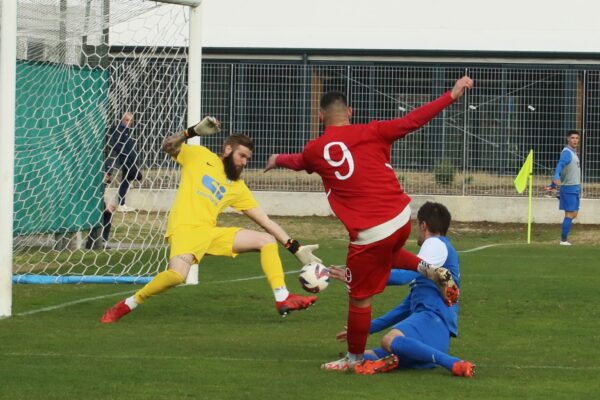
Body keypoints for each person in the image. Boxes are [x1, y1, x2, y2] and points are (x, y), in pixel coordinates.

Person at [264, 76, 473, 371]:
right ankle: (427, 269)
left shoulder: (314, 150)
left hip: (370, 231)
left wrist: (277, 158)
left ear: (320, 116)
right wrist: (450, 96)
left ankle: (353, 359)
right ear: (350, 113)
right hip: (401, 216)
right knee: (387, 252)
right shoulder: (372, 130)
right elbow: (413, 120)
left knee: (359, 298)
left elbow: (298, 161)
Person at [100, 117, 322, 323]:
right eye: (242, 156)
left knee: (266, 240)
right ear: (227, 150)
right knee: (177, 276)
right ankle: (128, 304)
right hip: (185, 227)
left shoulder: (237, 187)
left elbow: (266, 221)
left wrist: (296, 248)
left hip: (209, 232)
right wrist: (192, 132)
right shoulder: (201, 156)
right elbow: (167, 146)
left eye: (248, 158)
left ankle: (282, 296)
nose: (245, 162)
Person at [330, 202, 474, 377]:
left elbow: (403, 276)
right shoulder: (433, 260)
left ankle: (454, 363)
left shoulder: (435, 244)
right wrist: (366, 328)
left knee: (389, 340)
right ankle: (394, 361)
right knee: (363, 357)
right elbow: (404, 309)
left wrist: (362, 277)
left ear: (423, 225)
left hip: (432, 321)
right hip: (432, 338)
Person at [545, 130, 581, 245]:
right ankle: (563, 240)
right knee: (569, 214)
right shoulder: (567, 153)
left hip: (575, 188)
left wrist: (552, 184)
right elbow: (560, 164)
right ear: (568, 139)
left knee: (574, 214)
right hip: (569, 188)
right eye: (573, 138)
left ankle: (559, 194)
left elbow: (565, 172)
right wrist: (555, 175)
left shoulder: (573, 153)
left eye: (576, 138)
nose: (575, 140)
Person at [105, 112, 141, 212]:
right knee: (135, 177)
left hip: (130, 159)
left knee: (126, 180)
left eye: (131, 121)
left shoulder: (127, 130)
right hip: (125, 159)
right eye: (127, 120)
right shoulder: (119, 130)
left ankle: (122, 203)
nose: (129, 122)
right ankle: (121, 203)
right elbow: (116, 144)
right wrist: (126, 153)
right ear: (122, 120)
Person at [85, 172, 115, 250]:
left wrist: (105, 205)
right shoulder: (91, 181)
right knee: (96, 213)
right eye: (106, 176)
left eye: (108, 177)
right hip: (85, 206)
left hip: (94, 205)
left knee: (108, 214)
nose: (107, 179)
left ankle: (102, 240)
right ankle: (93, 241)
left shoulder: (102, 184)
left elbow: (98, 197)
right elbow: (91, 197)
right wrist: (105, 206)